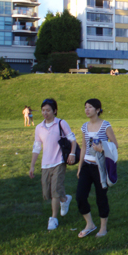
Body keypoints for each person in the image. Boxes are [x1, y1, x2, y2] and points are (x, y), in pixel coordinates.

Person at [29, 98, 76, 230]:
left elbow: (72, 139)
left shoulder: (61, 123)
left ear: (54, 111)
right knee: (47, 192)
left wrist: (72, 154)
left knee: (55, 190)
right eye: (43, 110)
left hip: (59, 161)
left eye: (48, 110)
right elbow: (36, 147)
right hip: (45, 164)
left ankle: (53, 219)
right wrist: (32, 165)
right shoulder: (39, 128)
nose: (45, 113)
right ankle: (65, 199)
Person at [76, 99, 118, 238]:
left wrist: (102, 149)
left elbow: (115, 145)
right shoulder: (84, 126)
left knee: (101, 198)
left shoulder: (105, 125)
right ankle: (90, 224)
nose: (87, 110)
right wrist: (80, 167)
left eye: (90, 107)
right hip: (87, 166)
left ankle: (103, 228)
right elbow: (83, 147)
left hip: (100, 167)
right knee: (80, 196)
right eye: (85, 107)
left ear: (98, 110)